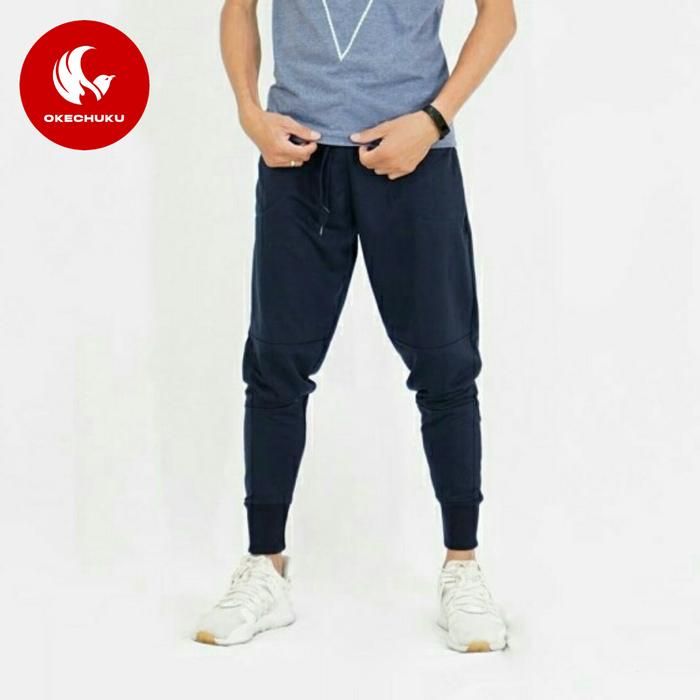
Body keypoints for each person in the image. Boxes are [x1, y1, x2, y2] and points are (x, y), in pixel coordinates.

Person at [194, 0, 516, 653]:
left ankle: (462, 565)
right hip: (299, 158)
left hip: (415, 155)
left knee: (446, 362)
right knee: (276, 363)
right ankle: (265, 565)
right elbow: (238, 7)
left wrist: (433, 120)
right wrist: (250, 113)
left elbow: (499, 16)